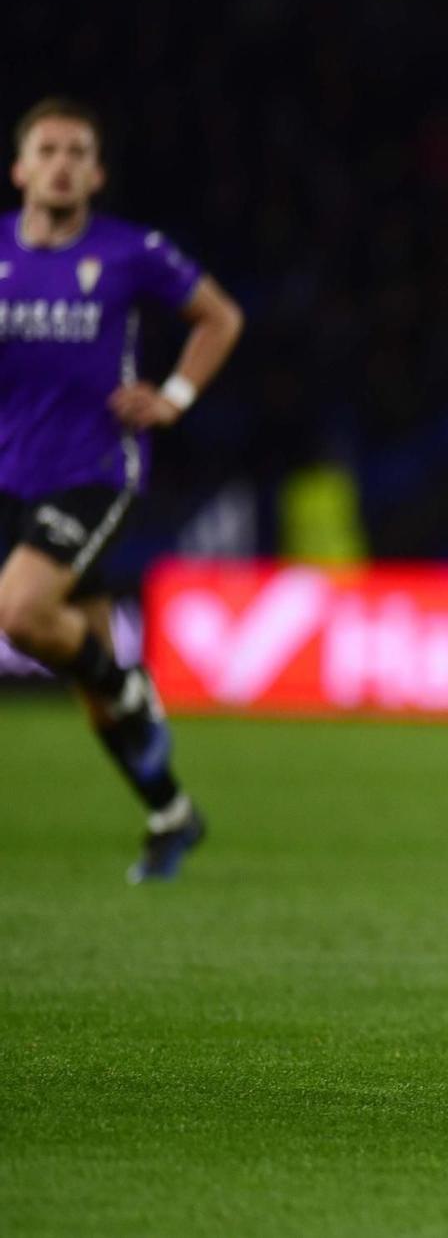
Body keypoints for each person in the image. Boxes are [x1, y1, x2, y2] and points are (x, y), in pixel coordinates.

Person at [0, 96, 245, 882]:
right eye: (47, 150)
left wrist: (174, 396)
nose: (62, 164)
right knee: (85, 671)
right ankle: (172, 811)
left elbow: (220, 317)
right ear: (20, 169)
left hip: (95, 469)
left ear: (97, 173)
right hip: (11, 474)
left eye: (77, 152)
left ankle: (130, 684)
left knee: (21, 613)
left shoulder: (130, 250)